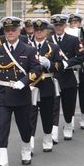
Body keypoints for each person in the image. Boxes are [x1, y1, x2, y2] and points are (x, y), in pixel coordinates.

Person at [0, 16, 42, 166]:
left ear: (19, 31)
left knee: (25, 126)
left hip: (22, 94)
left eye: (13, 30)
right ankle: (2, 160)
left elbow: (37, 69)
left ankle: (25, 149)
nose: (10, 33)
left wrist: (24, 82)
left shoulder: (29, 49)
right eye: (7, 30)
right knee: (2, 125)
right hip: (4, 93)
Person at [50, 14, 84, 142]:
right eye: (56, 25)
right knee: (53, 106)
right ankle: (53, 130)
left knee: (68, 105)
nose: (58, 27)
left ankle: (68, 125)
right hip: (53, 77)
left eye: (61, 25)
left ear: (65, 25)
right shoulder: (48, 40)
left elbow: (82, 56)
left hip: (68, 76)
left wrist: (68, 63)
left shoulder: (73, 40)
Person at [27, 18, 61, 153]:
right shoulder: (27, 45)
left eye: (42, 30)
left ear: (46, 31)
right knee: (30, 113)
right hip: (31, 83)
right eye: (37, 30)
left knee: (47, 113)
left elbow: (60, 65)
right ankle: (29, 140)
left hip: (46, 82)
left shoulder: (54, 47)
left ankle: (47, 137)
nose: (39, 32)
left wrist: (49, 64)